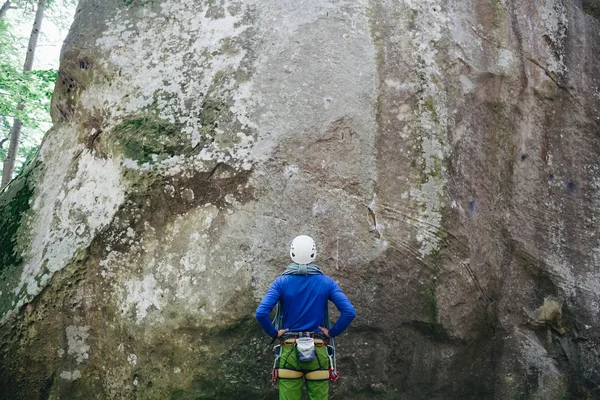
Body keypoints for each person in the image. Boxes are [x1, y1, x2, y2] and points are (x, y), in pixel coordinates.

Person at [255, 235, 356, 400]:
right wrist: (331, 332)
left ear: (292, 253)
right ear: (314, 254)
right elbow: (349, 312)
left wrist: (274, 333)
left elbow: (261, 313)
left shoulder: (280, 283)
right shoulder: (327, 282)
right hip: (318, 350)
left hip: (289, 351)